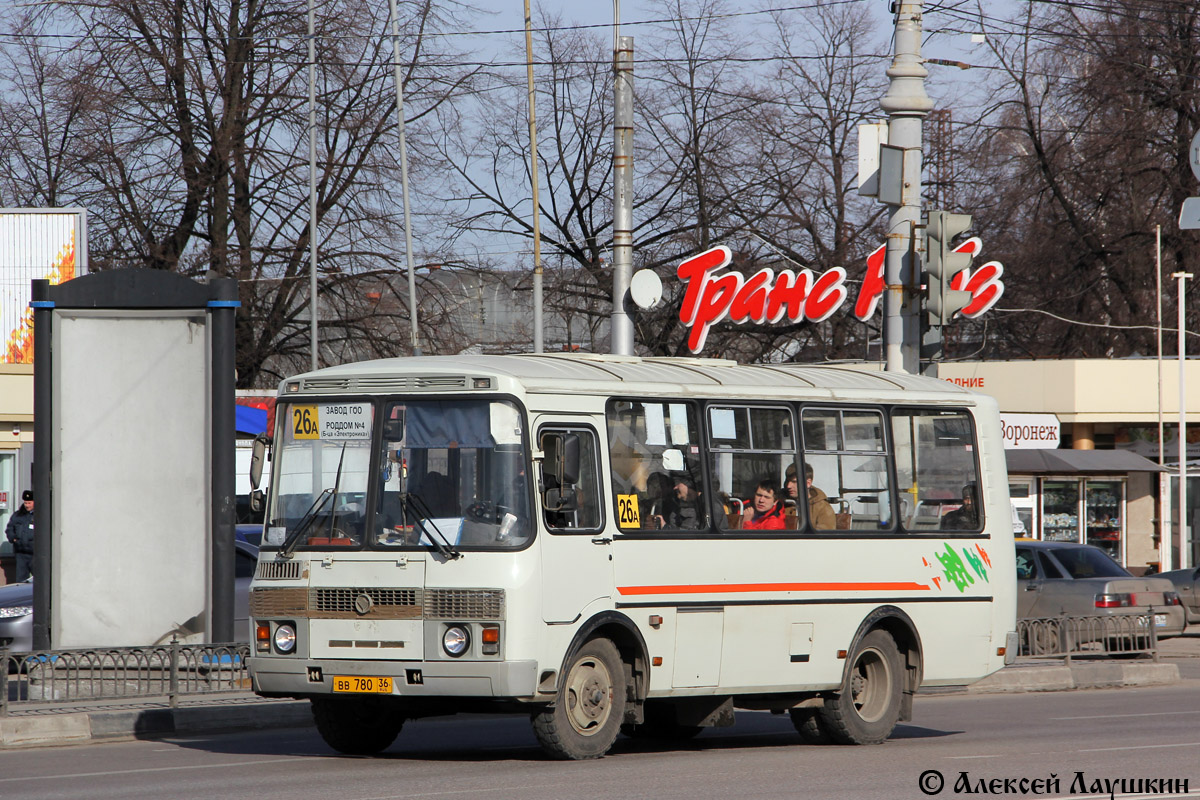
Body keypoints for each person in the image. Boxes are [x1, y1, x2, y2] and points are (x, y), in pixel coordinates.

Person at [5, 490, 34, 581]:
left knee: (39, 581)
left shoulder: (40, 515)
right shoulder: (18, 515)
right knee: (21, 580)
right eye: (25, 503)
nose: (27, 505)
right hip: (21, 553)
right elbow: (9, 529)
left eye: (29, 503)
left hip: (35, 554)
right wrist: (13, 539)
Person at [806, 464, 836, 530]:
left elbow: (823, 537)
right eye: (787, 481)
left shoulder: (823, 508)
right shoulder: (781, 503)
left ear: (808, 483)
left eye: (794, 482)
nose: (788, 486)